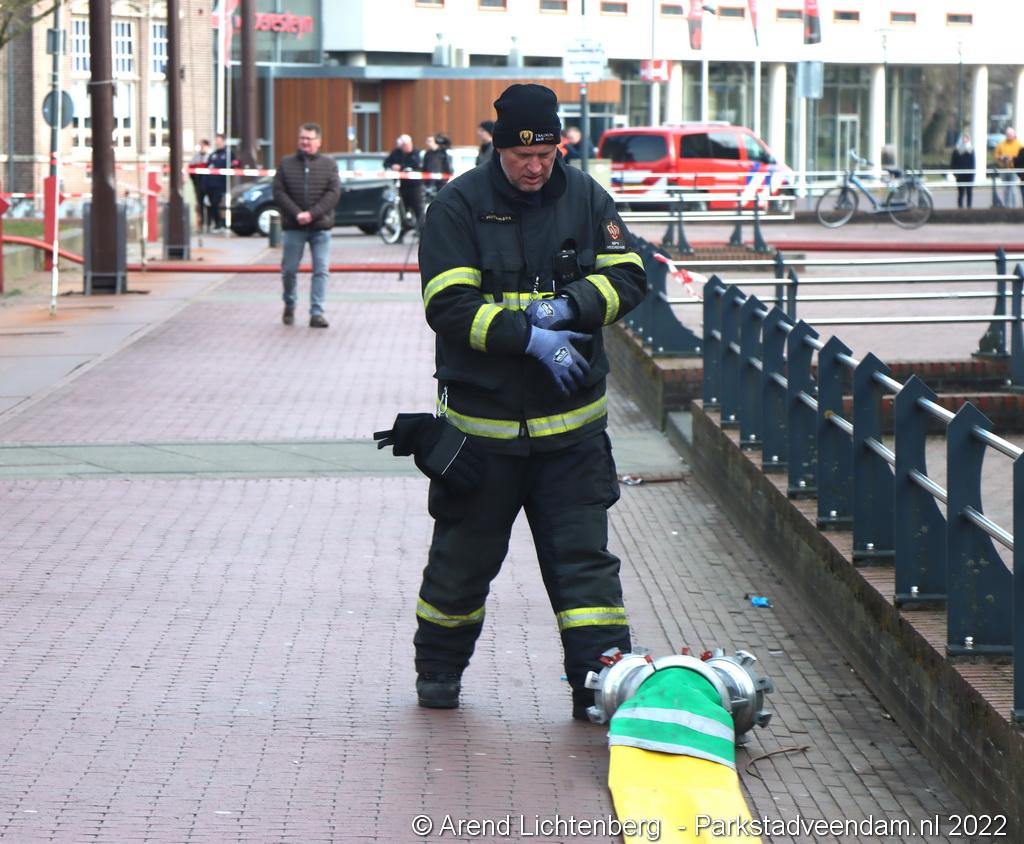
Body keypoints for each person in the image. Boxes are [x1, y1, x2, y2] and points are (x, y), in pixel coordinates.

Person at [412, 83, 647, 720]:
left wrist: (572, 305)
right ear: (499, 148)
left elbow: (630, 276)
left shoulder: (587, 198)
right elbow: (447, 305)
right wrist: (529, 337)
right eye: (522, 156)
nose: (536, 167)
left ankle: (598, 687)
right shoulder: (458, 205)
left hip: (571, 440)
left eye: (546, 153)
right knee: (460, 566)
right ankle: (438, 672)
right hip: (482, 436)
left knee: (586, 573)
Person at [271, 121, 341, 328]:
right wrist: (297, 214)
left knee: (321, 270)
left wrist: (312, 214)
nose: (305, 142)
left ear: (318, 141)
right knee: (289, 270)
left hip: (320, 227)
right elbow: (278, 192)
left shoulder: (329, 164)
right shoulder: (286, 163)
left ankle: (316, 313)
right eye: (302, 138)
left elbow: (333, 193)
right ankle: (289, 303)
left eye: (309, 139)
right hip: (294, 227)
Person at [384, 134, 424, 229]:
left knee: (417, 209)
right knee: (401, 208)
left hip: (414, 186)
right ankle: (402, 229)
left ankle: (421, 230)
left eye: (408, 145)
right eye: (404, 146)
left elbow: (416, 164)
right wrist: (392, 166)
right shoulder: (396, 152)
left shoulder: (416, 153)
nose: (407, 147)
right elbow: (386, 163)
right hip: (401, 185)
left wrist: (401, 167)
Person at [202, 134, 237, 230]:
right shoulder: (213, 155)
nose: (217, 142)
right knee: (211, 204)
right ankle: (217, 223)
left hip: (221, 184)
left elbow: (235, 164)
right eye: (216, 140)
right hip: (211, 184)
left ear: (223, 141)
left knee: (217, 203)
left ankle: (221, 223)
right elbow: (207, 169)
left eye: (219, 140)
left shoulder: (228, 154)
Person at [993, 127, 1022, 208]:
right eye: (1008, 134)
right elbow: (995, 154)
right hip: (1004, 169)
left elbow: (1021, 158)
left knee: (1013, 189)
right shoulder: (1001, 144)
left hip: (1013, 169)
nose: (1009, 136)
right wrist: (1000, 157)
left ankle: (1014, 207)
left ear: (1014, 135)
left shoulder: (1019, 145)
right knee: (1005, 189)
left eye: (1010, 134)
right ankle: (1006, 207)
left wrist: (1012, 158)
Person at [949, 132, 975, 209]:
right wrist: (955, 173)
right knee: (960, 192)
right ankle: (960, 208)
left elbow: (973, 163)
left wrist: (973, 174)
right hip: (960, 174)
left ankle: (969, 207)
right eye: (963, 138)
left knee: (969, 192)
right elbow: (953, 162)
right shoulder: (956, 150)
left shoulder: (971, 150)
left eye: (966, 138)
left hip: (969, 174)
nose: (964, 139)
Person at [189, 139, 211, 231]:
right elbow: (191, 169)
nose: (202, 148)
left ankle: (209, 223)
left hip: (208, 184)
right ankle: (201, 223)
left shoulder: (210, 156)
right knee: (200, 204)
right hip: (198, 183)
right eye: (201, 146)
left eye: (203, 146)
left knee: (209, 204)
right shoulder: (196, 157)